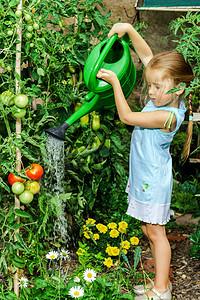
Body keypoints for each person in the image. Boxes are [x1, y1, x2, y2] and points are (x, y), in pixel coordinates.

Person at [97, 23, 194, 300]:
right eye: (149, 85)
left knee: (156, 233)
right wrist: (128, 29)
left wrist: (115, 82)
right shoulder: (167, 95)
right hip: (144, 175)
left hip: (153, 179)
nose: (151, 92)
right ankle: (158, 283)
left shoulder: (168, 116)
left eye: (156, 87)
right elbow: (146, 55)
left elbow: (127, 117)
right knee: (148, 229)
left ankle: (161, 290)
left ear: (178, 88)